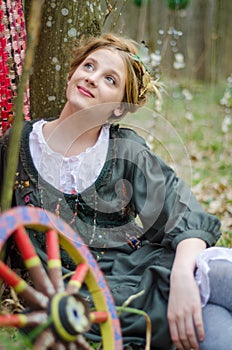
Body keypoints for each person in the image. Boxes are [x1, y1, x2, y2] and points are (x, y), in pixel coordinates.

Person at [0, 33, 231, 350]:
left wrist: (181, 281)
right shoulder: (16, 145)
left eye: (109, 79)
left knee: (219, 278)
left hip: (151, 273)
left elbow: (185, 218)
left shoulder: (126, 150)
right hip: (85, 299)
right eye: (89, 66)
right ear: (72, 73)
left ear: (119, 108)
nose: (92, 78)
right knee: (214, 324)